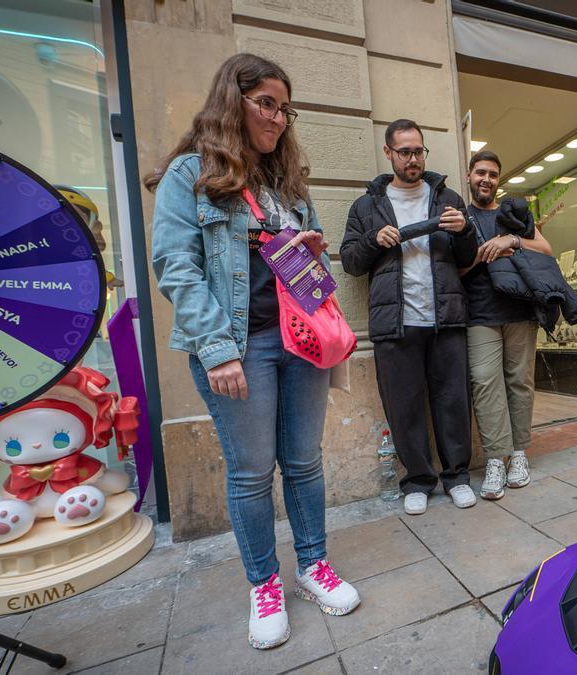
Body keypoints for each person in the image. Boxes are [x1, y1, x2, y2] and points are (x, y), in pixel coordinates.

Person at [149, 54, 360, 650]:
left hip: (301, 341)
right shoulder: (190, 172)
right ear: (232, 101)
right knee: (250, 473)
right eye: (266, 103)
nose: (278, 118)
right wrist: (217, 349)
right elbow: (176, 267)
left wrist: (310, 250)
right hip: (239, 345)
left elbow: (303, 266)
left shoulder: (284, 181)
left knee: (305, 462)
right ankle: (264, 585)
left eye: (285, 109)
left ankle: (313, 566)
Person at [339, 118, 478, 515]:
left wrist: (464, 231)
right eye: (405, 152)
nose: (413, 159)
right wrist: (373, 239)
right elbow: (350, 262)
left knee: (453, 402)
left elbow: (467, 258)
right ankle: (417, 480)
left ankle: (457, 477)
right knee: (404, 406)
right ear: (388, 153)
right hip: (395, 323)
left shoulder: (448, 198)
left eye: (418, 151)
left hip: (446, 317)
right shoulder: (367, 206)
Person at [459, 150, 553, 500]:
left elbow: (545, 249)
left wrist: (511, 240)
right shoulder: (461, 217)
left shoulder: (512, 214)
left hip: (520, 311)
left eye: (493, 174)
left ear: (499, 180)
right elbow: (454, 269)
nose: (486, 179)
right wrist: (484, 252)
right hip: (479, 314)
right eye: (480, 172)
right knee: (486, 383)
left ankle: (519, 454)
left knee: (520, 383)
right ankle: (495, 460)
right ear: (469, 176)